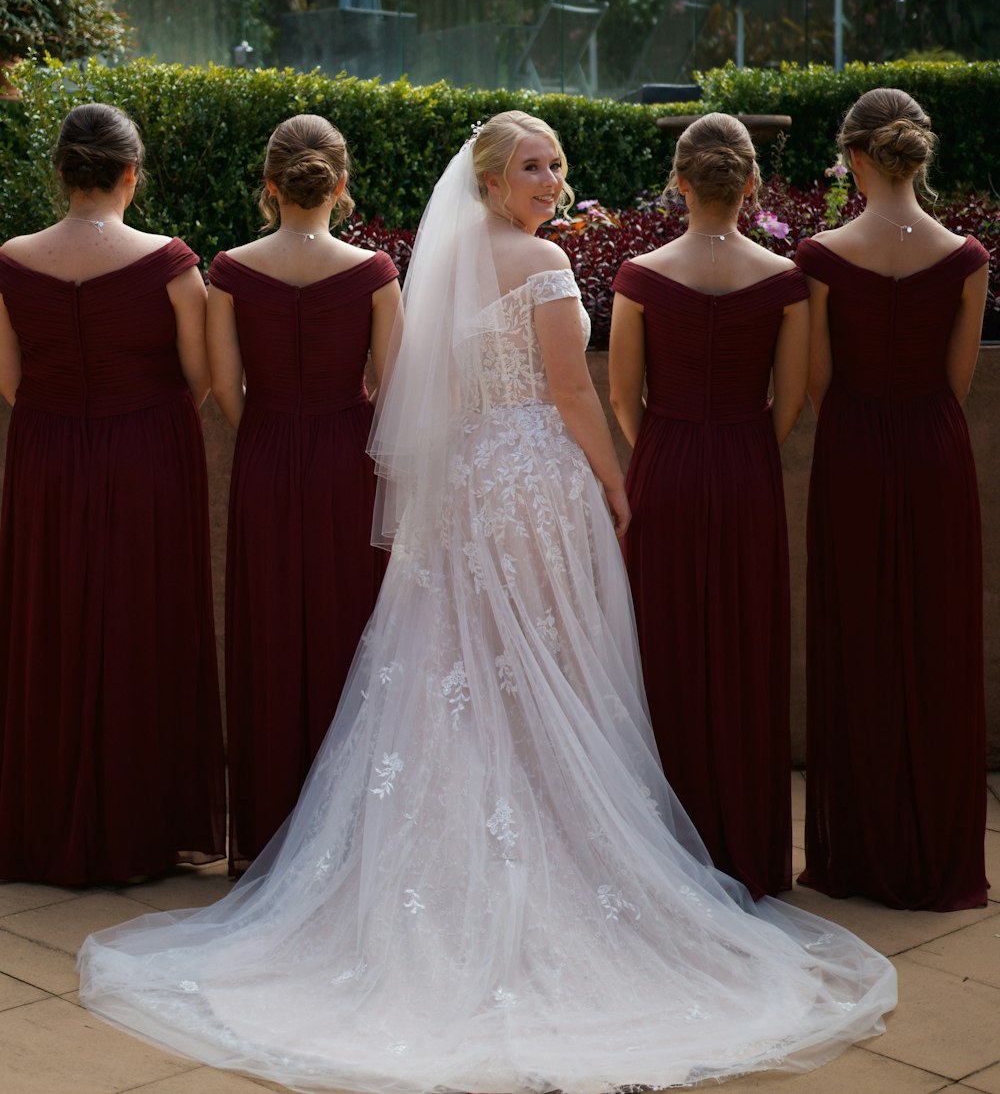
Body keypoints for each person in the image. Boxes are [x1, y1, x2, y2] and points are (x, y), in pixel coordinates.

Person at [79, 111, 895, 1093]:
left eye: (555, 163)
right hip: (530, 487)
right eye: (531, 166)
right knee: (537, 667)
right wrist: (616, 482)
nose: (551, 179)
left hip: (467, 487)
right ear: (491, 180)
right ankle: (545, 857)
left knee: (456, 667)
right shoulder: (543, 267)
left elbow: (428, 386)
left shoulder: (448, 263)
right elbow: (572, 392)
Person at [0, 102, 225, 885]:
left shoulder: (10, 258)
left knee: (50, 617)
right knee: (144, 619)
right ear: (132, 173)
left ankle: (41, 820)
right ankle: (141, 824)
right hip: (149, 452)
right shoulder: (171, 261)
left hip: (45, 451)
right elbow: (201, 378)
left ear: (60, 171)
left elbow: (9, 381)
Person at [795, 87, 989, 911]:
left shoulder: (820, 256)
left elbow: (815, 383)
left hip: (852, 451)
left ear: (854, 159)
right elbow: (957, 380)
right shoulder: (969, 257)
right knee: (937, 639)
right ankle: (937, 850)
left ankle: (863, 852)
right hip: (935, 452)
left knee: (859, 635)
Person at [609, 113, 809, 899]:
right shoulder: (786, 281)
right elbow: (788, 402)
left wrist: (664, 445)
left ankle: (665, 850)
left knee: (664, 646)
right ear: (752, 184)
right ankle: (745, 848)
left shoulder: (639, 275)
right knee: (746, 640)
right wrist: (738, 442)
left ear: (679, 183)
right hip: (747, 463)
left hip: (666, 462)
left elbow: (625, 396)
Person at [206, 114, 400, 872]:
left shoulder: (229, 269)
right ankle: (348, 835)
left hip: (265, 450)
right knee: (348, 627)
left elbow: (226, 388)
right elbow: (396, 386)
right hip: (348, 453)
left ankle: (265, 829)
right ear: (339, 185)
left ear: (270, 184)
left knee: (267, 626)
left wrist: (271, 429)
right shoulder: (375, 272)